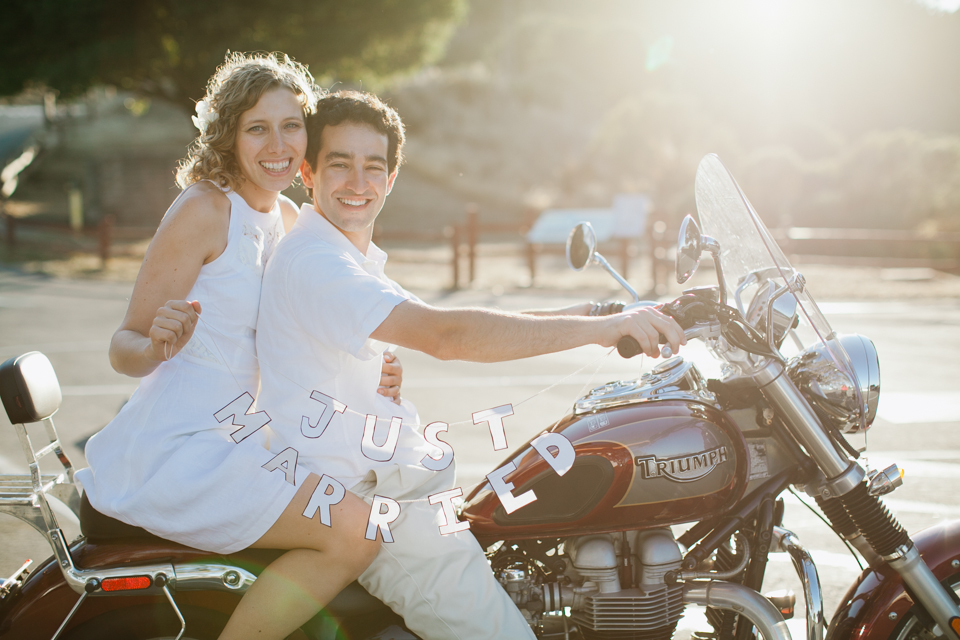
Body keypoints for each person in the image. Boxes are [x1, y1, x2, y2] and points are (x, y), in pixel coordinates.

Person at [255, 90, 685, 639]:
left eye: (374, 166)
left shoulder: (346, 256)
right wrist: (599, 331)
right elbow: (447, 334)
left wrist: (598, 311)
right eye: (340, 164)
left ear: (391, 179)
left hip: (389, 485)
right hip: (373, 503)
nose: (359, 182)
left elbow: (462, 317)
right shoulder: (318, 262)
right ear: (308, 173)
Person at [74, 55, 398, 640]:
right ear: (228, 135)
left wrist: (369, 370)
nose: (277, 144)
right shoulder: (206, 208)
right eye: (257, 127)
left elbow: (303, 329)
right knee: (359, 530)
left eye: (291, 125)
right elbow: (124, 347)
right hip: (181, 452)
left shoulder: (291, 216)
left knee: (369, 504)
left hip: (246, 440)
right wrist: (158, 345)